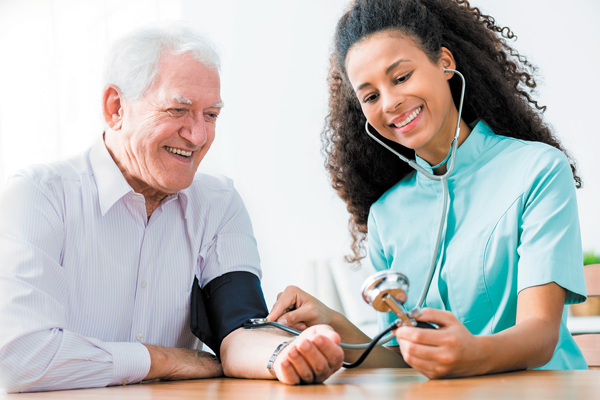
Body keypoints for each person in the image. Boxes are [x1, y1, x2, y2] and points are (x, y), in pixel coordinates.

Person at [0, 23, 343, 393]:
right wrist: (161, 359)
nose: (198, 136)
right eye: (178, 110)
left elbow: (240, 328)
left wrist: (284, 353)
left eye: (211, 115)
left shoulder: (219, 203)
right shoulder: (38, 196)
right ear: (115, 108)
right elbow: (21, 360)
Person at [268, 0, 588, 378]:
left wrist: (472, 354)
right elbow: (403, 362)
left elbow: (541, 334)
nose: (390, 103)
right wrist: (331, 322)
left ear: (445, 63)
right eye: (370, 96)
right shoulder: (386, 214)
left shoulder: (537, 170)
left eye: (401, 77)